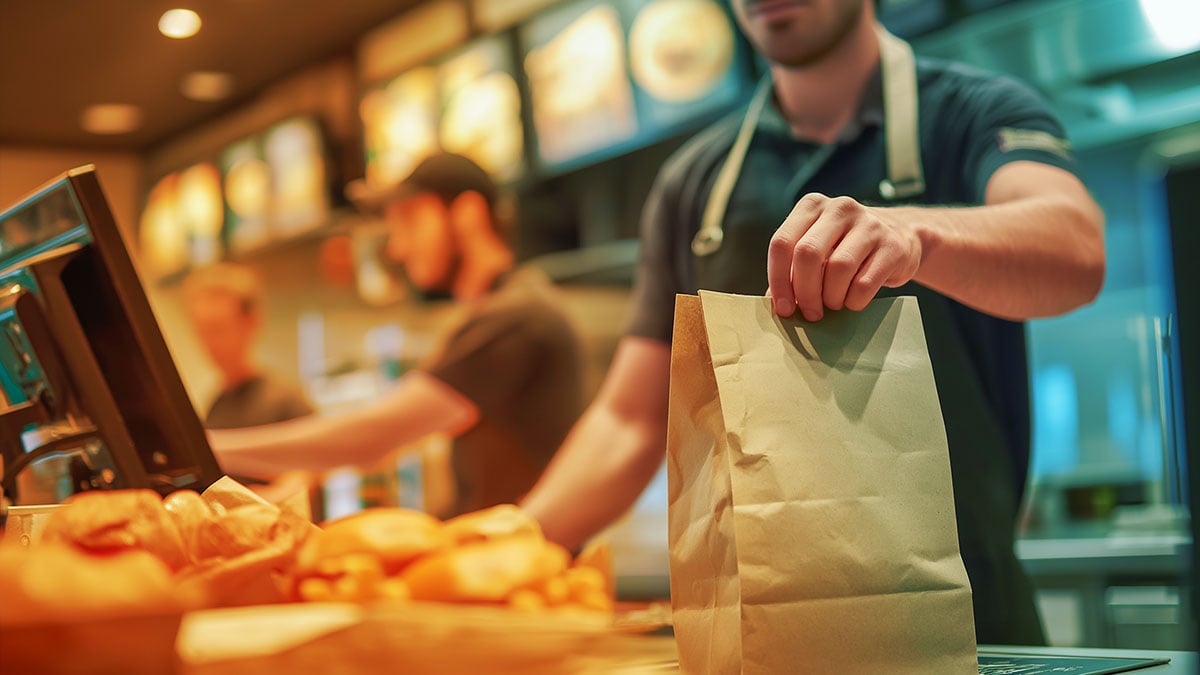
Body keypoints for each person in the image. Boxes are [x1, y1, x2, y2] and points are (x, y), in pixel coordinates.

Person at [519, 0, 1105, 646]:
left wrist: (914, 234)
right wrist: (509, 545)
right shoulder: (695, 183)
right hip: (758, 640)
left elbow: (1076, 248)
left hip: (970, 629)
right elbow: (627, 421)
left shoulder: (973, 113)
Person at [208, 153, 587, 518]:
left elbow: (369, 438)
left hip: (530, 569)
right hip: (507, 559)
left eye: (409, 219)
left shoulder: (514, 319)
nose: (398, 246)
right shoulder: (504, 313)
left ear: (468, 213)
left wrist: (209, 449)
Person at [181, 262, 315, 430]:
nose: (210, 343)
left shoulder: (286, 404)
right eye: (202, 331)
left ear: (250, 322)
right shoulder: (215, 407)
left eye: (218, 328)